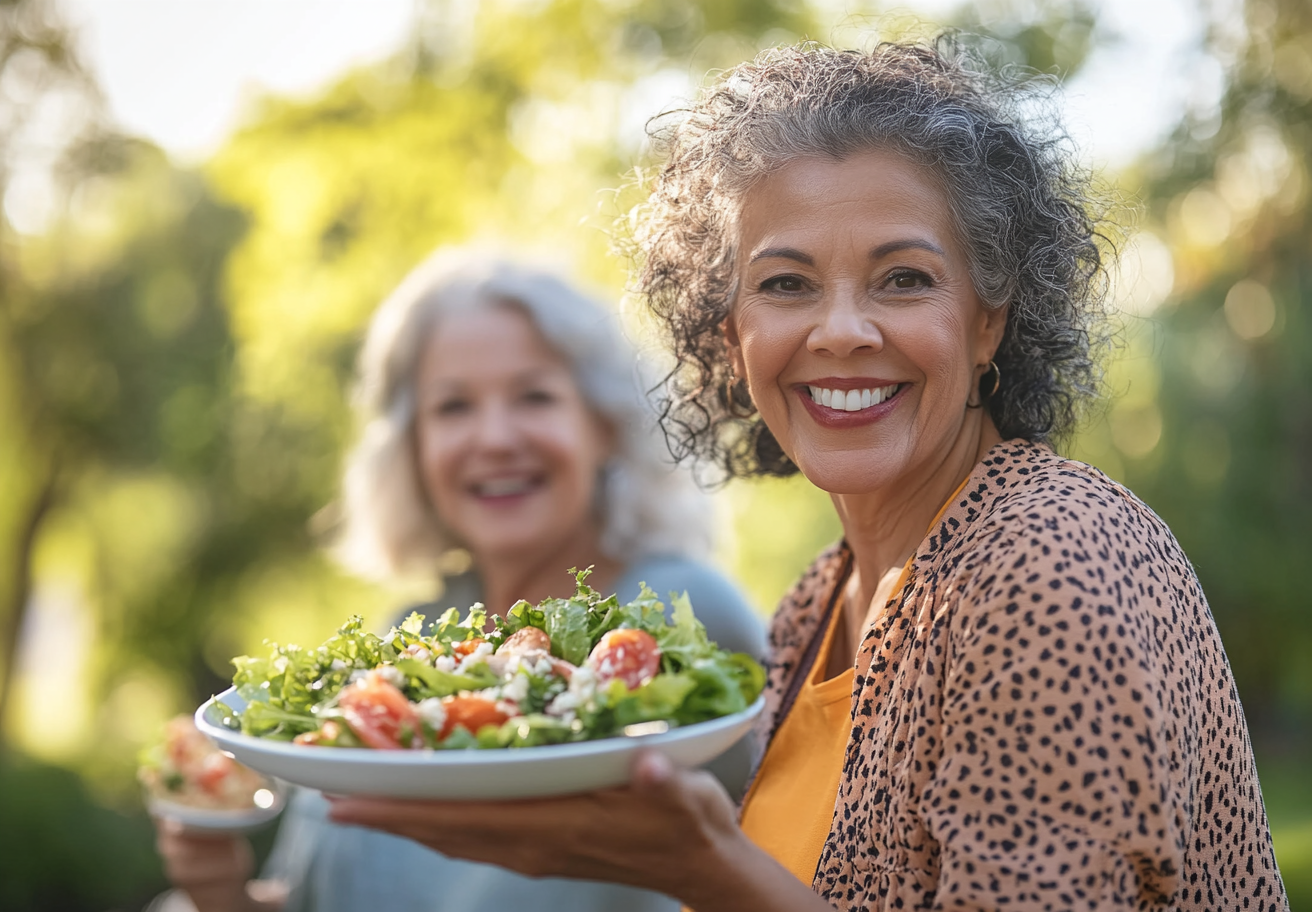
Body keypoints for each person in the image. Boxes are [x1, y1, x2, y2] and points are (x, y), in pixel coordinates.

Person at [326, 40, 1291, 912]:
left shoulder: (1047, 560)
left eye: (903, 278)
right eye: (785, 284)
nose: (841, 330)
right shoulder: (812, 611)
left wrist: (703, 871)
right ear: (731, 337)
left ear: (989, 318)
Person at [152, 249, 766, 912]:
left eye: (534, 396)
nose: (494, 438)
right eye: (453, 406)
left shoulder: (682, 622)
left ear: (605, 426)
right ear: (412, 449)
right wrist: (219, 892)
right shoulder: (404, 646)